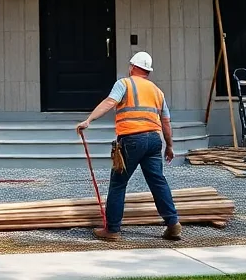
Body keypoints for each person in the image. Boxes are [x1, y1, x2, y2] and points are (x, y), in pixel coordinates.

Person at [76, 51, 181, 242]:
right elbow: (166, 122)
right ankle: (173, 223)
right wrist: (170, 146)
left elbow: (110, 102)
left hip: (132, 140)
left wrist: (89, 120)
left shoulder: (124, 83)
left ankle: (112, 230)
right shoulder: (158, 91)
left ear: (132, 67)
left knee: (118, 184)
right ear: (148, 71)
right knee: (158, 182)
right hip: (154, 141)